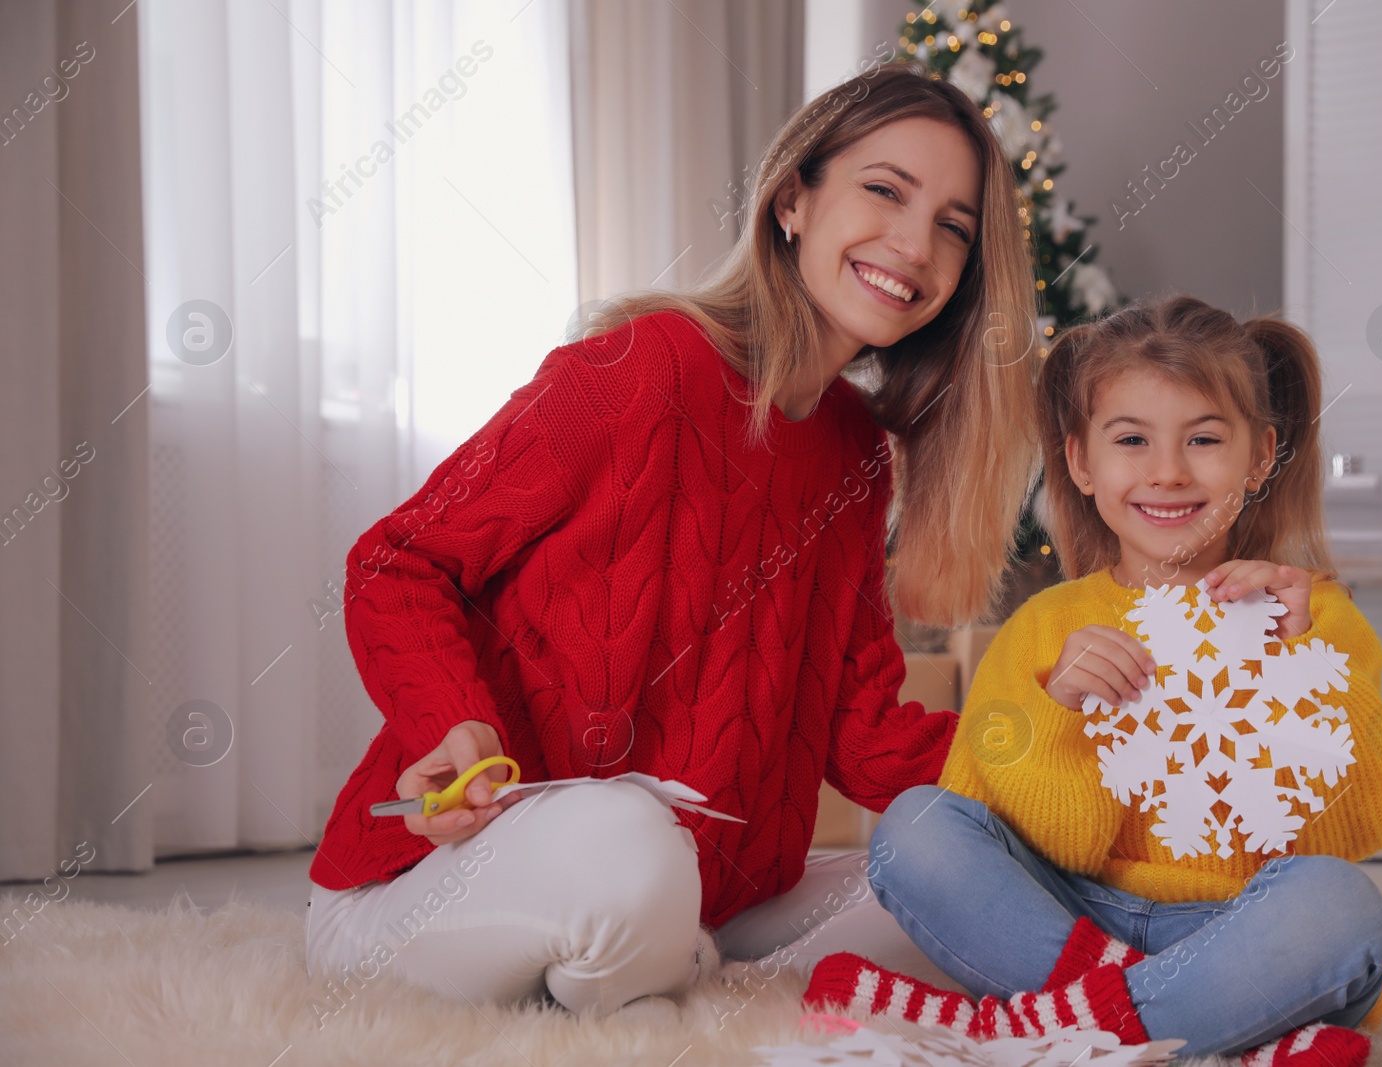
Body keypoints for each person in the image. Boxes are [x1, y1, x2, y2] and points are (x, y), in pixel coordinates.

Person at [303, 59, 1042, 1021]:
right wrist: (453, 720)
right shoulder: (640, 369)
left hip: (700, 894)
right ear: (791, 201)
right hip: (432, 890)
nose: (914, 243)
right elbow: (400, 562)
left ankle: (649, 973)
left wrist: (1055, 758)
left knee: (943, 891)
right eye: (884, 191)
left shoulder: (858, 454)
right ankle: (650, 975)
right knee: (626, 837)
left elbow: (863, 734)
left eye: (953, 226)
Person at [802, 294, 1382, 1066]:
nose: (1167, 472)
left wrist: (1307, 664)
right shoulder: (1045, 626)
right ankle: (1223, 1029)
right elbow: (998, 832)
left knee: (1345, 908)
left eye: (1204, 439)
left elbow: (1368, 821)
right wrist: (1060, 711)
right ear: (1081, 462)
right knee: (913, 830)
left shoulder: (1312, 614)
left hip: (1241, 926)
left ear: (1261, 456)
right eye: (1132, 439)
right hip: (1072, 915)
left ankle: (1027, 1027)